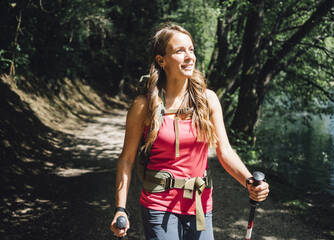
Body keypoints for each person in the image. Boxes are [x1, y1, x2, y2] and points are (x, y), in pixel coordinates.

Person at [110, 23, 270, 239]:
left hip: (200, 206)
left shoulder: (208, 100)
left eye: (191, 50)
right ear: (161, 60)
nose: (189, 57)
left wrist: (249, 181)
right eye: (180, 51)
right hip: (159, 205)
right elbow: (127, 159)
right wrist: (120, 208)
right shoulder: (144, 105)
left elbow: (225, 151)